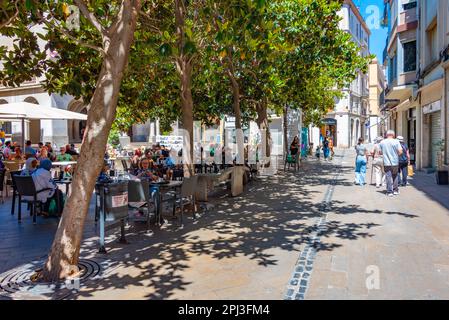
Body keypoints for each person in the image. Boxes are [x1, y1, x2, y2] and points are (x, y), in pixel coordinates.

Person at [379, 130, 403, 197]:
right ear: (393, 135)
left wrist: (385, 153)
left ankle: (389, 191)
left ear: (387, 135)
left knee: (388, 177)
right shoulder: (396, 141)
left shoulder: (382, 142)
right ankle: (395, 190)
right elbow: (400, 152)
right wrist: (395, 155)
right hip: (395, 162)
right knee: (395, 176)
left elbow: (380, 152)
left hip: (386, 162)